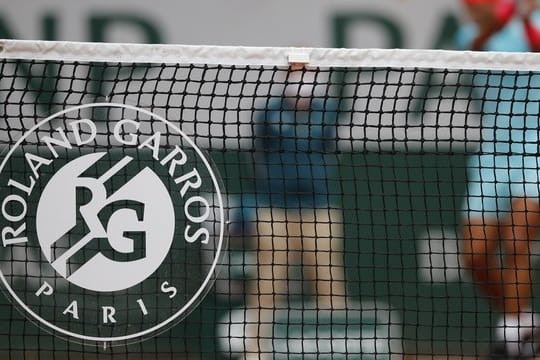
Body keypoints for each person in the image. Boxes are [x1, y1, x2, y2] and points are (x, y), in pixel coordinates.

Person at [243, 64, 347, 359]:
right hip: (274, 207)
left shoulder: (328, 111)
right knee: (268, 281)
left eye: (307, 72)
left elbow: (330, 148)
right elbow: (256, 153)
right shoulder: (268, 112)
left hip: (320, 207)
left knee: (328, 279)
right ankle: (256, 351)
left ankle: (334, 349)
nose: (302, 79)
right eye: (295, 72)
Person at [457, 0, 540, 357]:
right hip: (489, 159)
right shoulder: (472, 31)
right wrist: (505, 16)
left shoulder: (536, 22)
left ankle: (511, 337)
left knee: (518, 244)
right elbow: (478, 42)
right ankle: (522, 320)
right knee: (473, 257)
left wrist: (524, 18)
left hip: (533, 152)